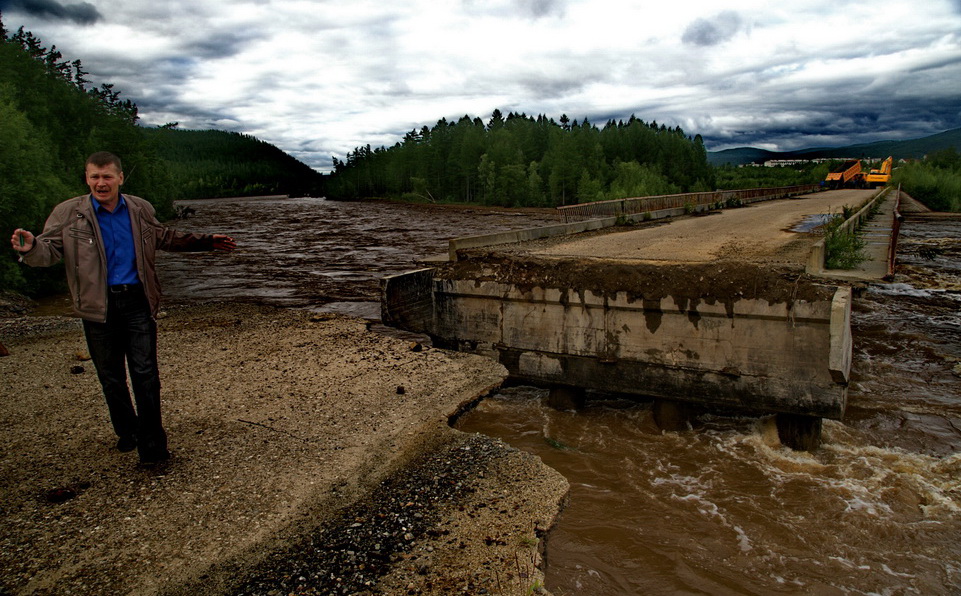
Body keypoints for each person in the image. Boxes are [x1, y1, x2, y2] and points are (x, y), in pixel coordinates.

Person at [10, 151, 236, 466]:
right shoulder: (68, 213)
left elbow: (164, 237)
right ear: (87, 178)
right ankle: (128, 430)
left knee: (145, 375)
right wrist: (31, 247)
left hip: (137, 301)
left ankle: (154, 448)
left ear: (119, 178)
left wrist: (206, 241)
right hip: (97, 305)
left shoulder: (140, 208)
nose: (100, 183)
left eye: (107, 177)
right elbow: (48, 251)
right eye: (94, 177)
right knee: (112, 377)